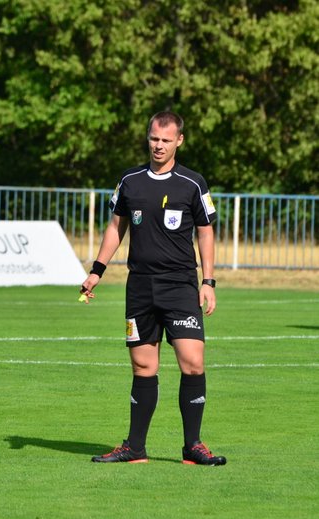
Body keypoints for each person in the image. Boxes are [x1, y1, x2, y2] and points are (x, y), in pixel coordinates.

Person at [80, 110, 226, 466]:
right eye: (153, 139)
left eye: (165, 140)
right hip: (140, 288)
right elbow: (116, 228)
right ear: (147, 139)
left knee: (193, 363)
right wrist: (97, 270)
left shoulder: (193, 183)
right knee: (143, 367)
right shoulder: (129, 181)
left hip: (179, 286)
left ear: (179, 141)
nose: (158, 146)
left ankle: (193, 446)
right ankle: (135, 447)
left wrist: (207, 281)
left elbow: (205, 232)